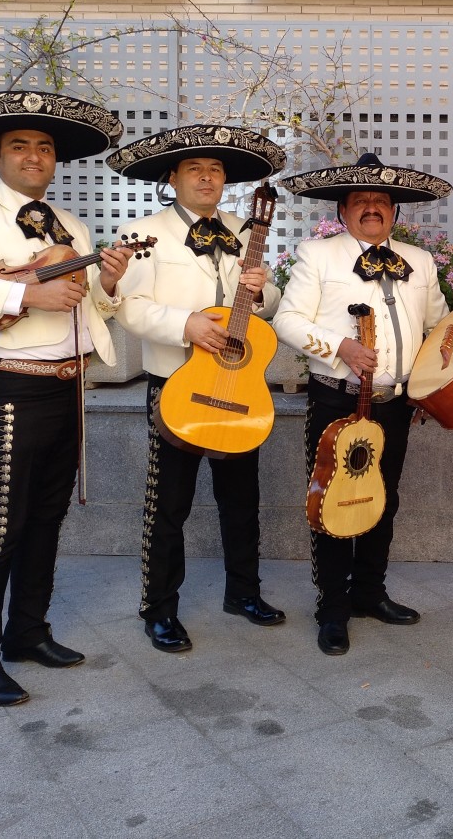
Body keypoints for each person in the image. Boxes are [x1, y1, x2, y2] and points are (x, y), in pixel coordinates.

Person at [0, 90, 131, 706]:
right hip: (7, 381)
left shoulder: (71, 225)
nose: (34, 155)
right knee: (1, 523)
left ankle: (27, 632)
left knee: (45, 519)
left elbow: (89, 307)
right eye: (19, 146)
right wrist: (24, 296)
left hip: (66, 385)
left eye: (44, 147)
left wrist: (107, 283)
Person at [107, 125, 289, 653]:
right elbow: (130, 308)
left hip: (237, 384)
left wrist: (263, 293)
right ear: (173, 178)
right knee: (169, 504)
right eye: (194, 169)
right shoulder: (145, 231)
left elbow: (266, 302)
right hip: (177, 385)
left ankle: (244, 593)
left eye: (215, 170)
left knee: (241, 498)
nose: (207, 177)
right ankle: (159, 609)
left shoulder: (242, 228)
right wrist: (185, 324)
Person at [274, 153, 451, 656]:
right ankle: (332, 606)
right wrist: (340, 347)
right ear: (344, 209)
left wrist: (429, 385)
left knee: (383, 498)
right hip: (337, 398)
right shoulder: (317, 254)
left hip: (397, 403)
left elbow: (438, 327)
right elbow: (287, 320)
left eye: (381, 201)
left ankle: (370, 592)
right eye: (361, 201)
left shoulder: (419, 261)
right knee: (332, 501)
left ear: (394, 211)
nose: (372, 207)